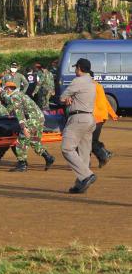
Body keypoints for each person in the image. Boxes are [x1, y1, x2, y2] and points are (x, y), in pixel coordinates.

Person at [60, 58, 96, 194]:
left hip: (78, 118)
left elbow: (63, 97)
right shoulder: (91, 82)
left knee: (66, 148)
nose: (75, 70)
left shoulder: (77, 81)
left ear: (79, 68)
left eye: (76, 68)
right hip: (89, 119)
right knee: (84, 153)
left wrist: (68, 98)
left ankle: (86, 175)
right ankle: (80, 184)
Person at [3, 81, 55, 172]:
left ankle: (22, 165)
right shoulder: (21, 94)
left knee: (21, 141)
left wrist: (24, 128)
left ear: (9, 89)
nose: (5, 92)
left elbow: (19, 113)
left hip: (32, 119)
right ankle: (48, 157)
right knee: (34, 141)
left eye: (5, 90)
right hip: (40, 118)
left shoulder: (14, 97)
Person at [91, 71, 118, 168]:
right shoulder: (98, 86)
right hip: (100, 117)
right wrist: (112, 114)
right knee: (92, 140)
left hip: (96, 117)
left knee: (90, 141)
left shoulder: (91, 87)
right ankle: (104, 155)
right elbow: (105, 101)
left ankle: (104, 155)